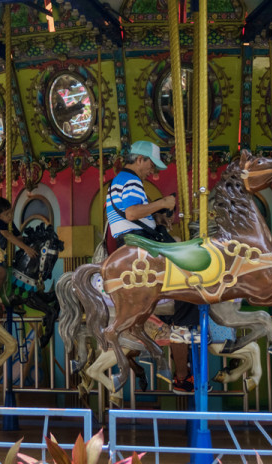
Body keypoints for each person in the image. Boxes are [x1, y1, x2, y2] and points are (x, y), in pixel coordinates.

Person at [104, 140, 193, 393]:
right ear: (140, 159)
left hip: (134, 241)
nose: (151, 171)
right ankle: (180, 330)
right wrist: (163, 203)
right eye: (150, 165)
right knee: (189, 283)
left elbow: (134, 214)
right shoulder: (130, 179)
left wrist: (157, 218)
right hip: (139, 243)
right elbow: (131, 213)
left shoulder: (119, 180)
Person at [0, 197, 38, 292]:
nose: (10, 216)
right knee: (1, 272)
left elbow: (18, 237)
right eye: (6, 214)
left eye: (11, 212)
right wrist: (26, 248)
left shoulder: (9, 223)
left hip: (3, 256)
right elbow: (7, 235)